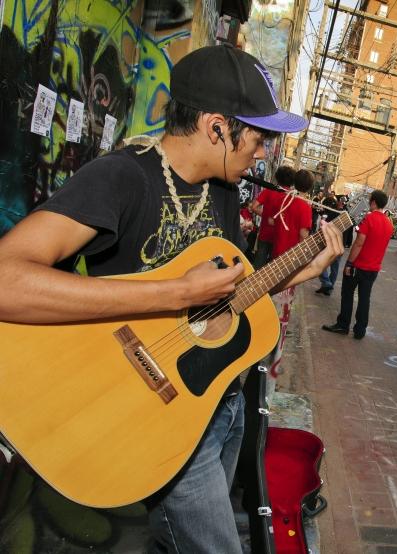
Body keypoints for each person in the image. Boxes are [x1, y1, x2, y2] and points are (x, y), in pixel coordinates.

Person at [0, 44, 343, 553]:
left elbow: (223, 301)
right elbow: (8, 279)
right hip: (147, 408)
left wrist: (295, 273)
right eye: (261, 134)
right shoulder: (122, 176)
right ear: (216, 128)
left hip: (215, 407)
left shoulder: (222, 190)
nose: (266, 149)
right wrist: (175, 291)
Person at [322, 190, 393, 340]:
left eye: (369, 201)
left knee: (347, 295)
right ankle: (360, 330)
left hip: (358, 266)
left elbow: (359, 243)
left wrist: (349, 263)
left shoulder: (369, 219)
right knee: (364, 298)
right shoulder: (388, 223)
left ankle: (343, 325)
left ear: (373, 202)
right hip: (373, 269)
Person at [250, 165, 296, 268]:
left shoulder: (268, 191)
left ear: (277, 177)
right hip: (280, 237)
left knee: (258, 264)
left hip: (264, 233)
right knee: (273, 267)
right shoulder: (291, 197)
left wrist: (265, 216)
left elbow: (254, 207)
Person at [316, 192, 342, 295]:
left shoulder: (327, 216)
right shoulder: (343, 214)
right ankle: (328, 288)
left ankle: (326, 283)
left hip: (329, 244)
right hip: (340, 245)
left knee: (320, 263)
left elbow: (322, 230)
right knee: (335, 268)